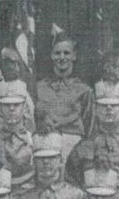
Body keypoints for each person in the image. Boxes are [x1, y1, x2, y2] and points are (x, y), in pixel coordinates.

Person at [65, 60, 119, 186]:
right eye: (103, 105)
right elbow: (71, 184)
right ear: (96, 109)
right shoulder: (83, 147)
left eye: (114, 105)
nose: (109, 108)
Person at [36, 25, 92, 161]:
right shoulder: (39, 87)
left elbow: (89, 127)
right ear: (51, 56)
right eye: (57, 53)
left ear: (74, 56)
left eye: (66, 53)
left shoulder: (84, 90)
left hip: (73, 146)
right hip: (45, 144)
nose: (62, 57)